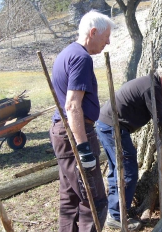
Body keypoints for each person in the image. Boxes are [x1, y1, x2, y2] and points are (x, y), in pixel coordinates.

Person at [96, 63, 162, 231]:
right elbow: (161, 118)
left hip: (107, 124)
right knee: (127, 170)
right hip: (112, 127)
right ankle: (116, 216)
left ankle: (115, 210)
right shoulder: (150, 88)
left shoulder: (150, 84)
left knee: (118, 168)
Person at [49, 10, 115, 232]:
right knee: (94, 201)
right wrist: (84, 147)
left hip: (63, 132)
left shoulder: (67, 53)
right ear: (93, 32)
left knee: (70, 200)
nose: (108, 42)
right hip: (75, 134)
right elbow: (72, 105)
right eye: (106, 37)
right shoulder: (81, 58)